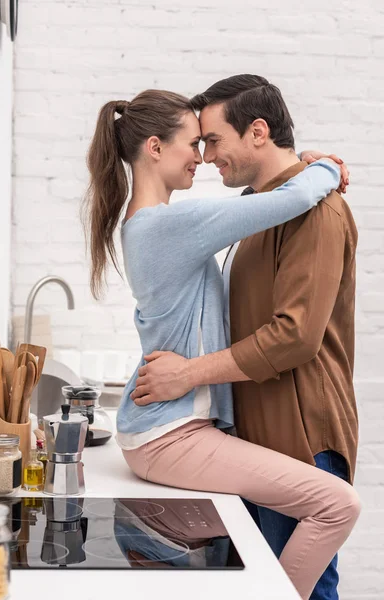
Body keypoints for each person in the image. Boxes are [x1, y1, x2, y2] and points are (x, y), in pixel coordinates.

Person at [83, 88, 360, 600]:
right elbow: (292, 198)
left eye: (209, 142)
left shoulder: (153, 224)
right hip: (172, 431)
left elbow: (268, 203)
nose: (203, 157)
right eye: (195, 143)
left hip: (166, 429)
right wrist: (322, 167)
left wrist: (300, 160)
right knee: (338, 505)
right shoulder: (168, 225)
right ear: (155, 148)